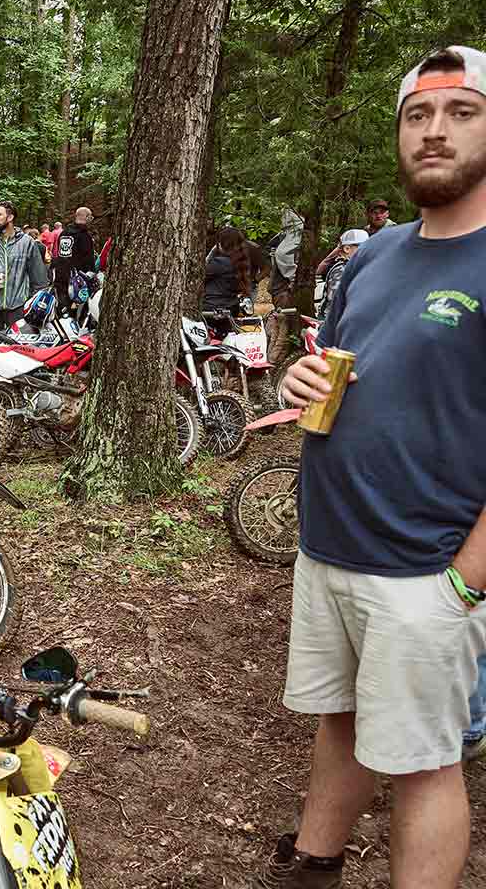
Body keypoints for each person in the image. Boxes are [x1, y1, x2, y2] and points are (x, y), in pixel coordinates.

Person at [264, 45, 486, 889]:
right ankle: (313, 865)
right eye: (418, 115)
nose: (435, 131)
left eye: (461, 113)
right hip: (330, 550)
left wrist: (466, 581)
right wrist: (299, 379)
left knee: (425, 762)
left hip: (427, 568)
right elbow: (347, 369)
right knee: (341, 719)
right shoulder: (376, 254)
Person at [0, 202, 50, 328]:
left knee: (16, 347)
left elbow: (40, 280)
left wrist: (33, 305)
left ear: (10, 217)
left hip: (18, 309)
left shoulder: (27, 243)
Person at [267, 208, 304, 365]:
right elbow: (283, 256)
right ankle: (275, 365)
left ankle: (274, 363)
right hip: (283, 293)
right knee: (284, 333)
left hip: (281, 291)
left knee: (280, 331)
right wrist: (294, 277)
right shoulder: (288, 240)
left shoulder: (285, 238)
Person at [315, 229, 368, 318]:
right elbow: (336, 301)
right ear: (347, 249)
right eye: (362, 247)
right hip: (331, 321)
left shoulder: (354, 269)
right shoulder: (341, 270)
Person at [51, 207, 96, 309]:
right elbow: (88, 260)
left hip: (61, 277)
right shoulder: (84, 236)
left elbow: (60, 254)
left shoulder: (64, 233)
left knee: (62, 308)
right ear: (87, 218)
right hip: (78, 283)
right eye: (91, 217)